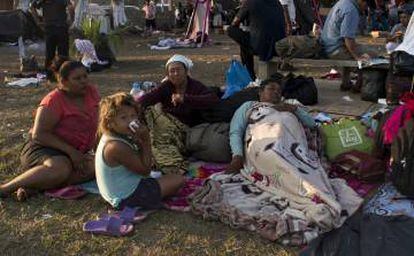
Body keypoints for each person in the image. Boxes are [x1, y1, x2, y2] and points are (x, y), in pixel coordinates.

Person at [0, 61, 99, 199]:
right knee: (61, 168)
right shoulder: (53, 100)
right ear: (63, 81)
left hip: (74, 151)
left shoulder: (91, 92)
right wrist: (72, 152)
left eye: (85, 76)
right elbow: (39, 135)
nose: (83, 81)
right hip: (44, 147)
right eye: (77, 78)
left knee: (98, 166)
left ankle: (35, 186)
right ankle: (6, 188)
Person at [95, 92, 185, 210]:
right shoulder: (116, 146)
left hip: (119, 193)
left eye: (133, 116)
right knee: (178, 179)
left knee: (166, 176)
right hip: (127, 197)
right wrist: (146, 141)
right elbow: (145, 171)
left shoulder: (115, 134)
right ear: (110, 122)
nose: (131, 121)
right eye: (124, 118)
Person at [227, 78, 316, 173]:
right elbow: (236, 131)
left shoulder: (289, 106)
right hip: (265, 142)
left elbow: (312, 124)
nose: (276, 92)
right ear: (260, 92)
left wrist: (295, 110)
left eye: (279, 91)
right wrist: (237, 156)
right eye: (271, 88)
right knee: (273, 157)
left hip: (292, 145)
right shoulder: (249, 106)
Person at [321, 0, 378, 91]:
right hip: (334, 48)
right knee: (373, 54)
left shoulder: (342, 2)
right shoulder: (352, 10)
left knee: (354, 48)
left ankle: (346, 82)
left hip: (326, 45)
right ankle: (359, 84)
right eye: (366, 6)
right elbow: (348, 39)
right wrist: (357, 57)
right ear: (363, 2)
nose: (365, 9)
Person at [227, 0, 286, 80]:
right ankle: (250, 75)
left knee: (231, 31)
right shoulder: (277, 2)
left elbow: (234, 23)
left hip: (262, 47)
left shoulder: (250, 2)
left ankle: (251, 75)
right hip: (279, 45)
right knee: (245, 44)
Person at [31, 0, 74, 70]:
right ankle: (64, 71)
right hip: (61, 27)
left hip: (49, 28)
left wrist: (38, 21)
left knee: (49, 53)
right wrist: (71, 20)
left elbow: (32, 6)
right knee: (63, 54)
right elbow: (71, 7)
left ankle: (49, 73)